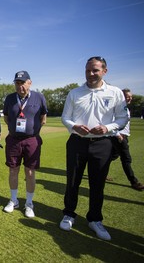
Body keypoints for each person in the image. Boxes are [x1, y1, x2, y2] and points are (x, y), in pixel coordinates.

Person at [60, 56, 128, 241]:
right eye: (88, 70)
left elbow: (123, 119)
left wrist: (108, 128)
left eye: (95, 70)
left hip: (102, 143)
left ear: (104, 71)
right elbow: (65, 117)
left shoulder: (115, 93)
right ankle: (69, 214)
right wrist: (74, 126)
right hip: (77, 142)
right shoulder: (74, 92)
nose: (90, 74)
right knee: (72, 181)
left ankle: (95, 219)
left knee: (97, 185)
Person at [2, 71, 48, 218]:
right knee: (13, 170)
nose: (20, 86)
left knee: (30, 172)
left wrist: (31, 132)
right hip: (14, 140)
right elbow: (7, 118)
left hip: (31, 140)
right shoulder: (9, 98)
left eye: (22, 82)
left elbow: (43, 118)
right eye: (17, 83)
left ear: (30, 82)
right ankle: (14, 200)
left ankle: (29, 204)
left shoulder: (39, 97)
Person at [109, 88, 144, 191]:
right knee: (126, 159)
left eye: (131, 96)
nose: (130, 98)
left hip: (124, 136)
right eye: (127, 96)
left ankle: (98, 170)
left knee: (111, 157)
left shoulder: (125, 108)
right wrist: (117, 134)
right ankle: (134, 182)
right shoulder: (116, 108)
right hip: (119, 137)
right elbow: (110, 122)